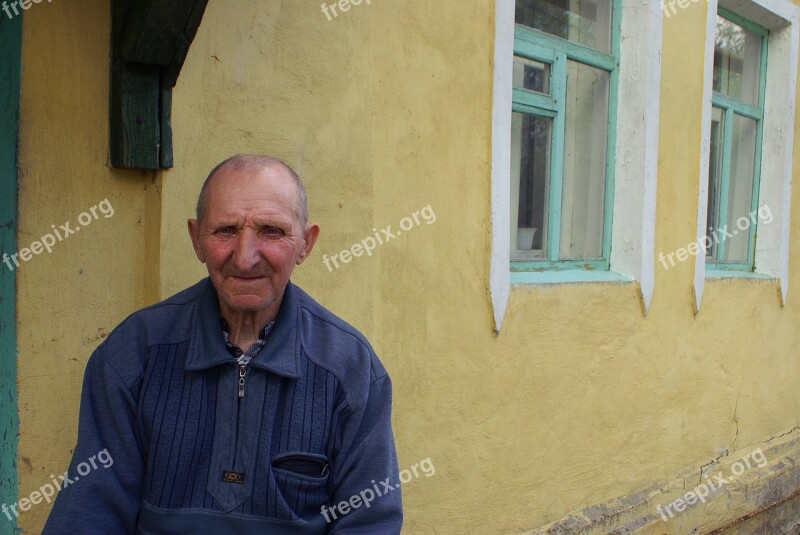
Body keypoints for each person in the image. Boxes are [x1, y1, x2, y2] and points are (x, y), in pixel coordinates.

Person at [42, 154, 403, 534]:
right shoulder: (133, 354)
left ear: (306, 244)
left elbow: (368, 522)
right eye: (226, 230)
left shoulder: (350, 368)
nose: (245, 259)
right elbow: (89, 514)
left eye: (271, 231)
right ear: (197, 239)